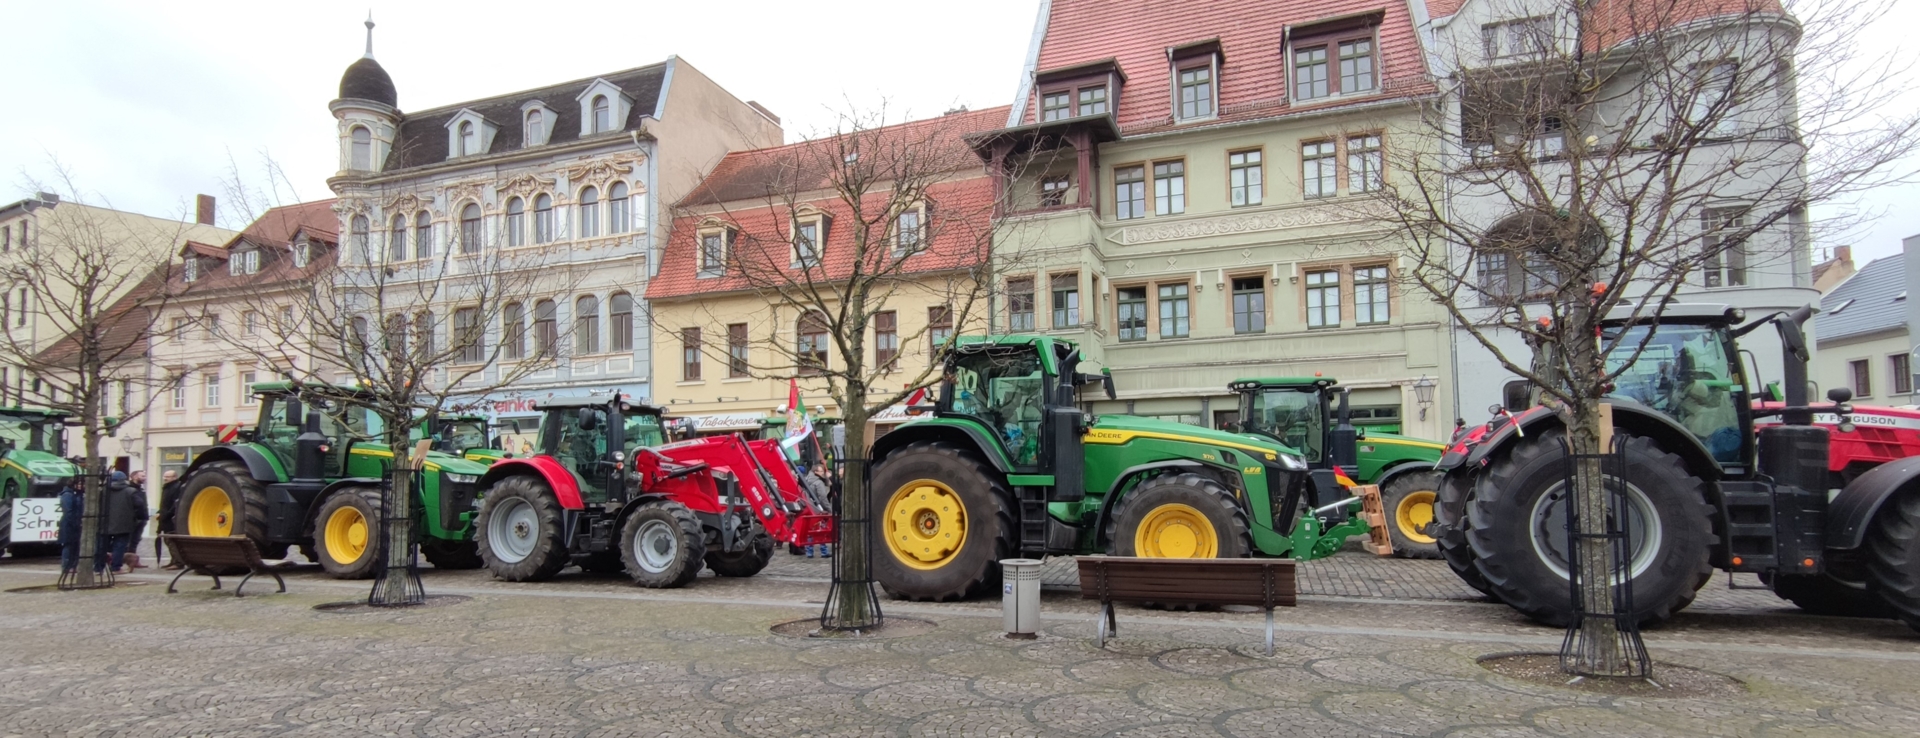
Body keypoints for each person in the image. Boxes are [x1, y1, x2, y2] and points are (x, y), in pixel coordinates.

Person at [97, 471, 147, 574]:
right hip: (124, 523)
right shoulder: (131, 491)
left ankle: (98, 568)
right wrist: (139, 517)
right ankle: (116, 567)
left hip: (104, 523)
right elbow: (140, 505)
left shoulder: (103, 491)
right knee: (119, 546)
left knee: (102, 546)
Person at [803, 464, 832, 558]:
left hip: (809, 508)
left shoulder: (806, 480)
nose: (823, 473)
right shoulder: (818, 482)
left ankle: (809, 552)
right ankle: (824, 551)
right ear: (816, 472)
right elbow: (823, 497)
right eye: (821, 471)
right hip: (819, 509)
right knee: (821, 530)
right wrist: (829, 509)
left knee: (810, 530)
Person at [56, 480, 84, 575]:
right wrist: (75, 522)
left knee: (76, 545)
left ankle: (73, 566)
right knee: (68, 544)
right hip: (69, 524)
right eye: (79, 483)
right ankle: (67, 566)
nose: (81, 486)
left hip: (75, 522)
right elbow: (69, 511)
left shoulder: (77, 494)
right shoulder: (68, 495)